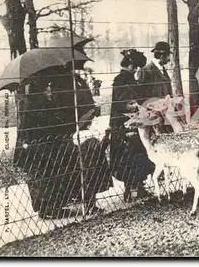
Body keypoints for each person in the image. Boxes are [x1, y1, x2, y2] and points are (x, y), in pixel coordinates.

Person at [14, 66, 111, 219]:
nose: (50, 89)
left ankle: (54, 207)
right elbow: (35, 127)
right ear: (41, 87)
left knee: (53, 173)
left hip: (46, 145)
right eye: (47, 87)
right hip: (38, 147)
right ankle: (49, 209)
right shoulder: (34, 103)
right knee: (45, 176)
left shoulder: (38, 101)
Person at [109, 50, 154, 202]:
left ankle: (138, 187)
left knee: (136, 156)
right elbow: (121, 104)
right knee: (129, 157)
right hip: (125, 127)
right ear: (129, 65)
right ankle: (131, 190)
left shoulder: (127, 79)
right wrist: (133, 106)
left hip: (132, 124)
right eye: (134, 67)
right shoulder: (122, 80)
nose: (136, 70)